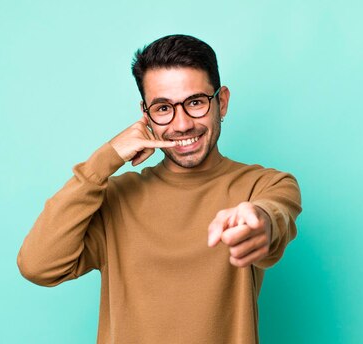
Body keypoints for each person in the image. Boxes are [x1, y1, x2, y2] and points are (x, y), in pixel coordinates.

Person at [17, 34, 302, 343]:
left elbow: (273, 218)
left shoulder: (264, 185)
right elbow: (38, 265)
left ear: (221, 102)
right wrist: (106, 158)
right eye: (164, 108)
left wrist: (260, 224)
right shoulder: (115, 198)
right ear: (146, 115)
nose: (181, 124)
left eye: (195, 103)